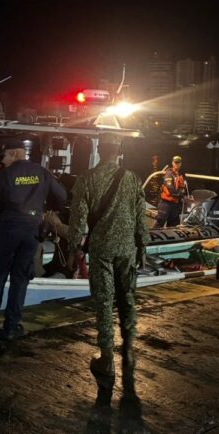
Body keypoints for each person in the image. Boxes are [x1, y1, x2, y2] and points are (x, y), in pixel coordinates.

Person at [67, 135, 148, 396]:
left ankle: (106, 358)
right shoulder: (133, 178)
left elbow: (78, 220)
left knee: (104, 301)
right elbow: (140, 216)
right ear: (119, 152)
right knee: (126, 297)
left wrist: (73, 249)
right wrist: (142, 246)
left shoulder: (87, 178)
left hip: (101, 249)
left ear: (100, 151)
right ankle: (128, 348)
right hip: (127, 248)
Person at [0, 139, 67, 341]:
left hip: (8, 231)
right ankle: (11, 327)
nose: (2, 162)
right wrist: (47, 208)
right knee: (20, 280)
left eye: (3, 157)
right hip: (32, 233)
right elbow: (62, 196)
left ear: (13, 153)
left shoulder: (7, 175)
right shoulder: (42, 172)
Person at [154, 155, 189, 228]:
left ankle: (170, 236)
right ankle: (150, 237)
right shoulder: (169, 174)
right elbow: (171, 189)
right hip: (166, 204)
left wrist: (186, 196)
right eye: (175, 162)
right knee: (160, 221)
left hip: (175, 204)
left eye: (178, 163)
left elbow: (184, 188)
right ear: (172, 163)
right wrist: (182, 195)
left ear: (180, 164)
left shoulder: (181, 175)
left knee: (174, 224)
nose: (177, 164)